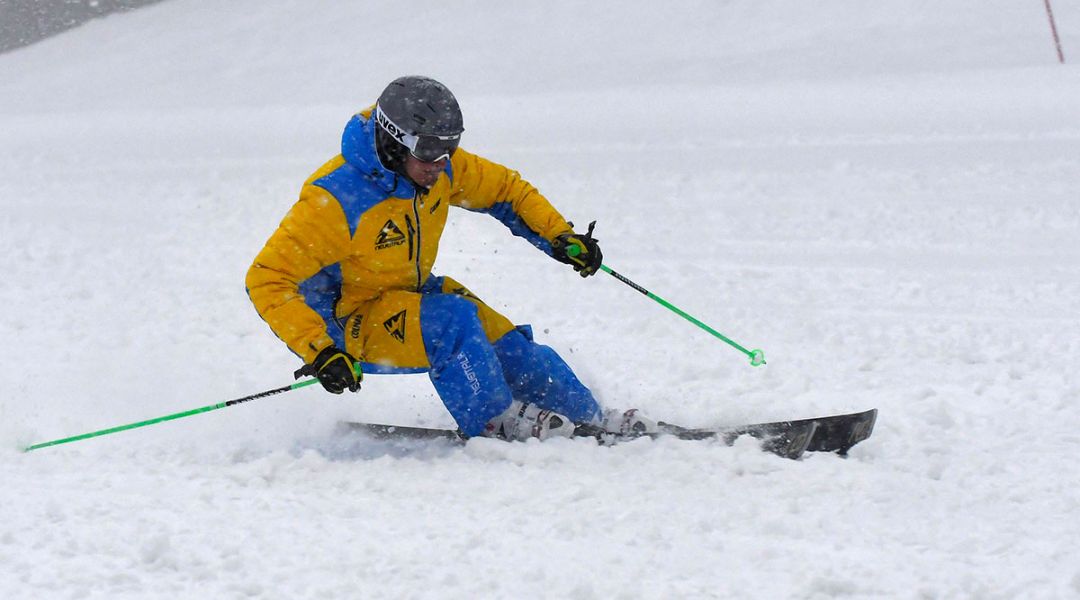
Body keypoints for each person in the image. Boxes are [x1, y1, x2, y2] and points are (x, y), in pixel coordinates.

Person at [246, 75, 653, 441]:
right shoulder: (334, 200)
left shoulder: (436, 169)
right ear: (393, 140)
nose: (440, 162)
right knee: (453, 323)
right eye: (428, 149)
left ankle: (590, 417)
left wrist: (558, 236)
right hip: (347, 323)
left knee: (507, 343)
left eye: (450, 146)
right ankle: (496, 421)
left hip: (407, 295)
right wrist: (318, 350)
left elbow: (504, 190)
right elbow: (266, 277)